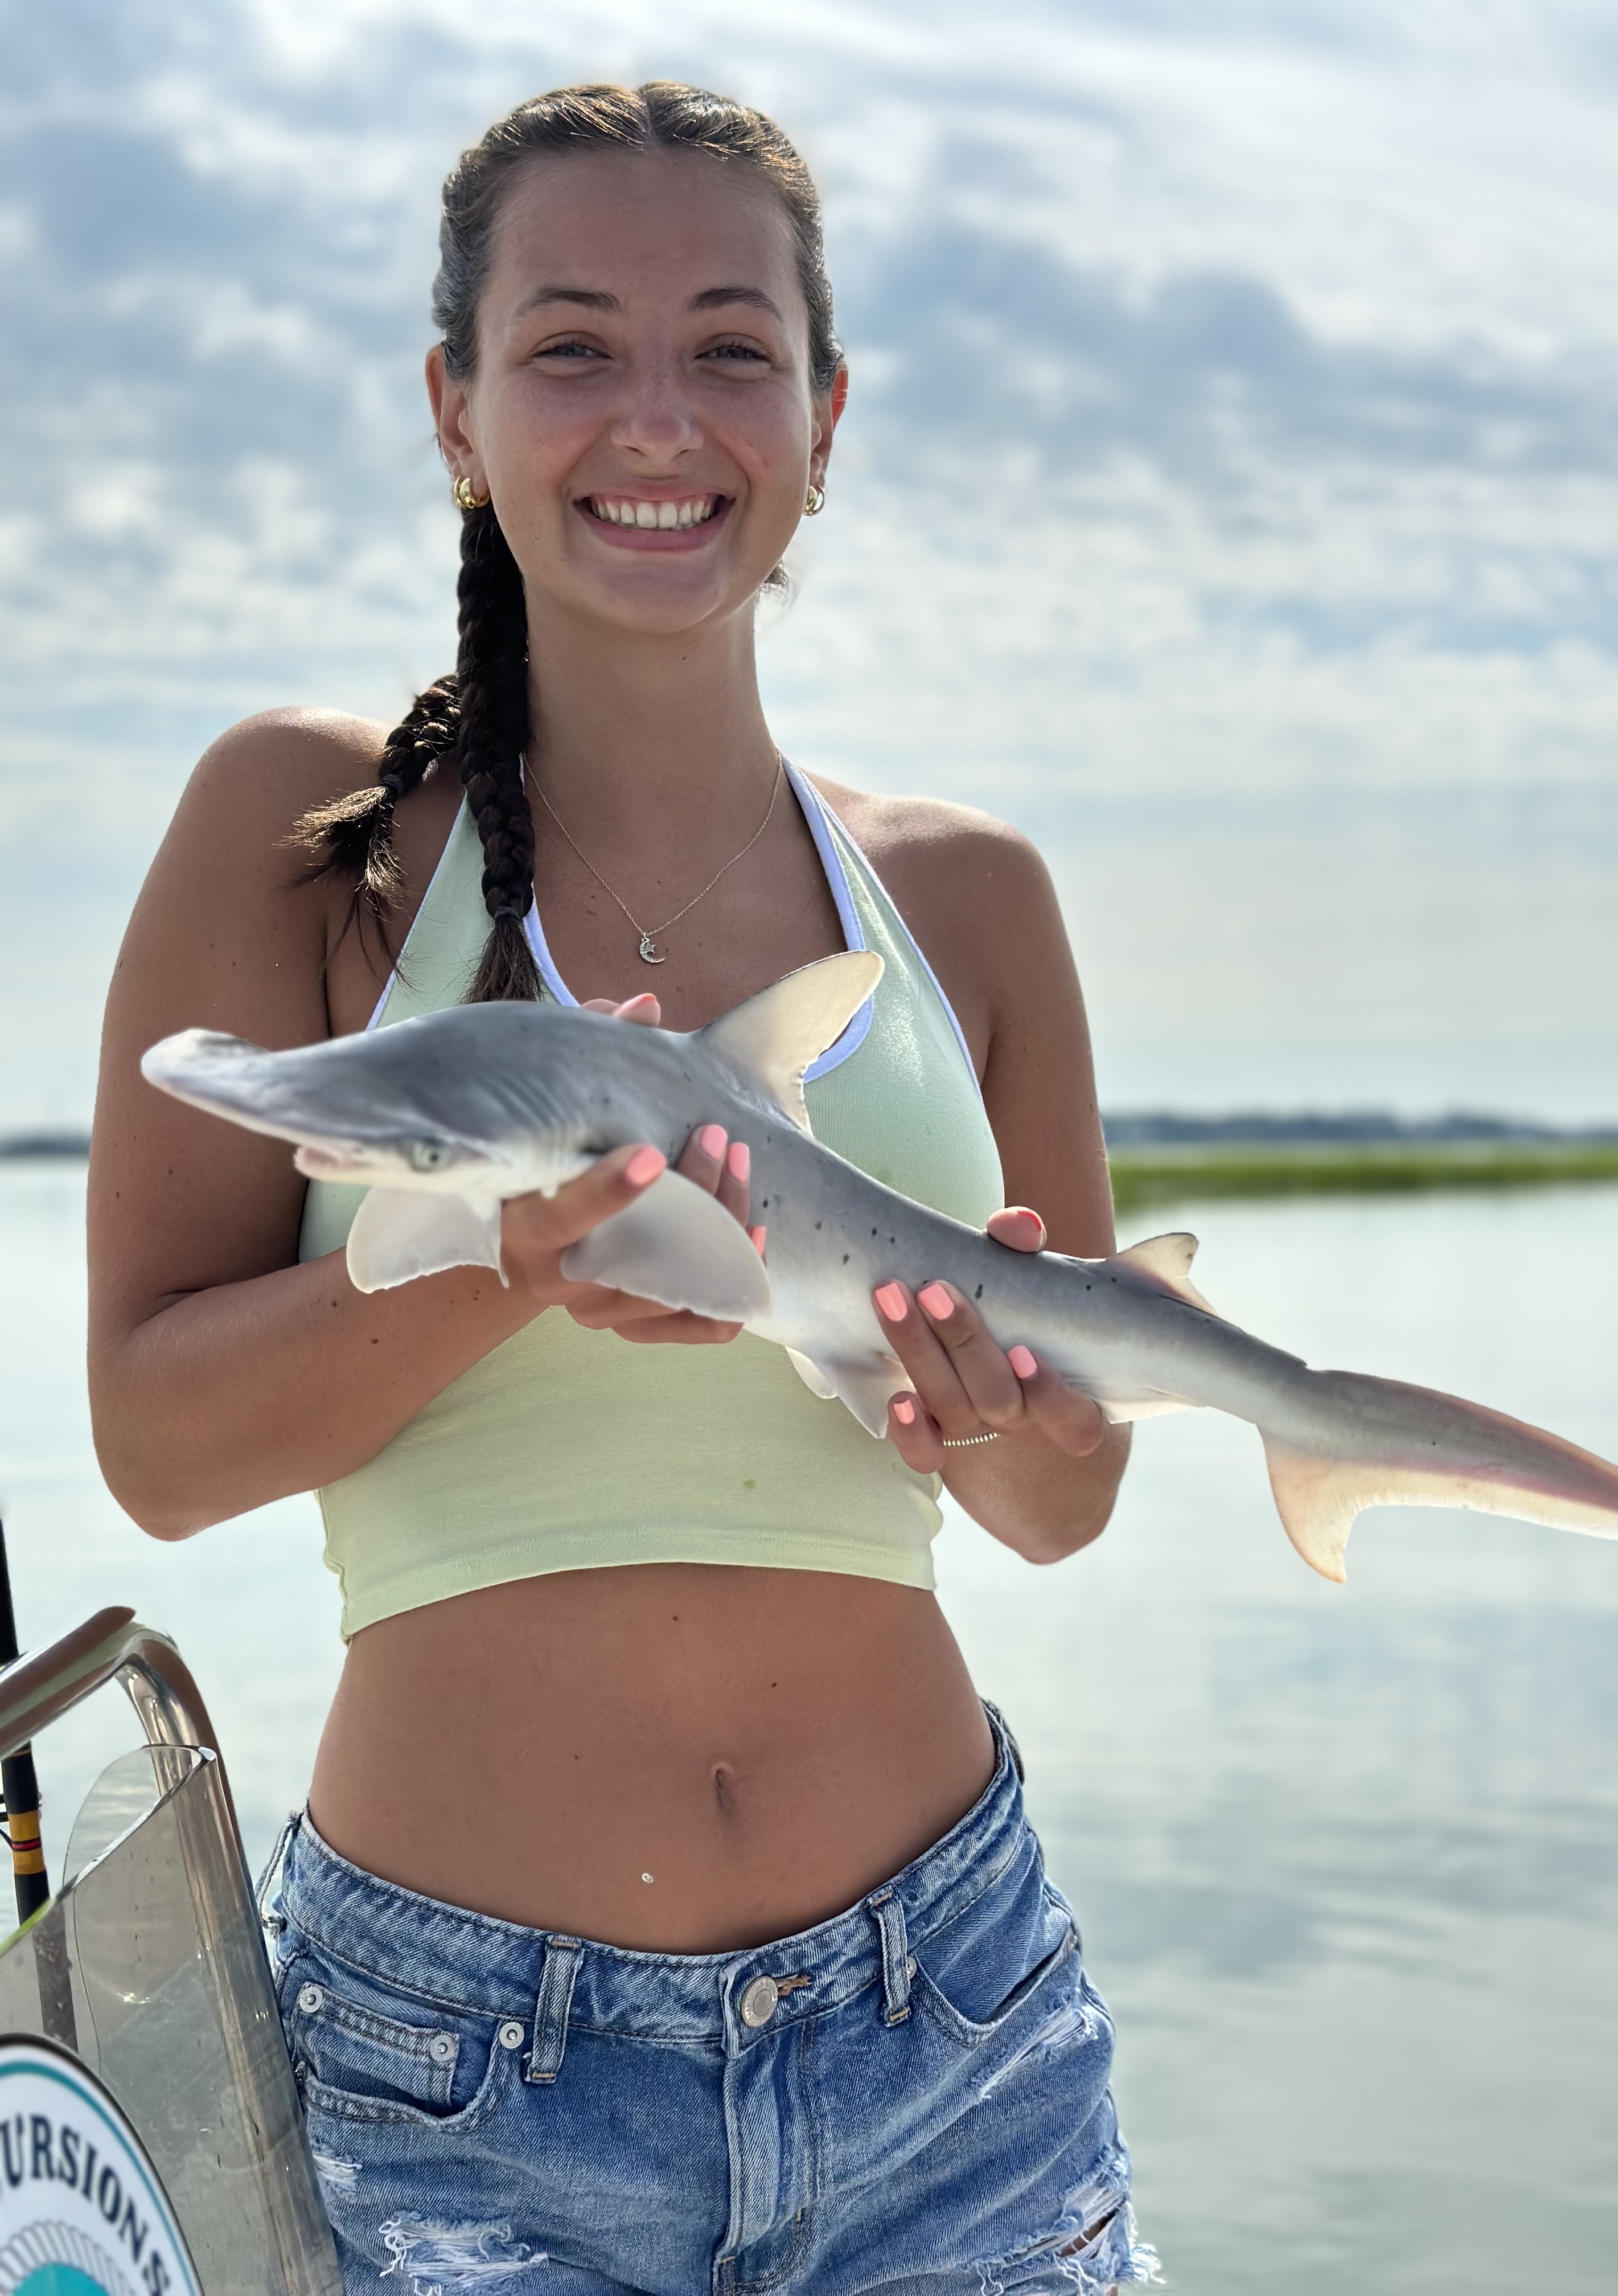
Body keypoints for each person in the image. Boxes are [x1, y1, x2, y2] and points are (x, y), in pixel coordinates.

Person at [86, 81, 1160, 2294]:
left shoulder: (968, 895)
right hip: (460, 2074)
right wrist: (506, 1248)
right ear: (456, 411)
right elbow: (155, 1446)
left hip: (956, 2028)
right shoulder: (307, 832)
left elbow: (1061, 1507)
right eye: (570, 343)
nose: (655, 414)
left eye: (730, 346)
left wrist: (1016, 1427)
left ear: (828, 414)